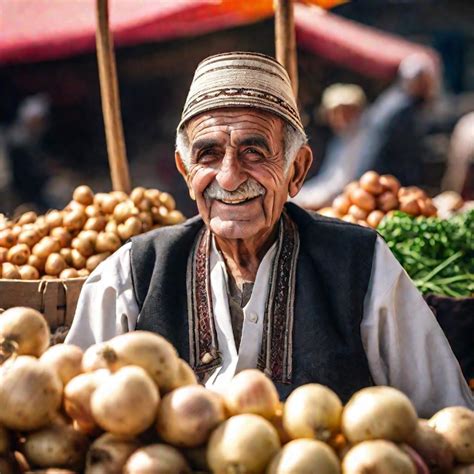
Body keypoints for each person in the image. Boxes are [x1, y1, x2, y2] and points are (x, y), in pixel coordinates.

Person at [66, 52, 473, 416]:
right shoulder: (131, 273)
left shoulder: (363, 264)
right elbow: (71, 410)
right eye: (208, 154)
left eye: (254, 152)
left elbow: (447, 418)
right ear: (185, 170)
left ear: (296, 170)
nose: (228, 177)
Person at [354, 53, 439, 186]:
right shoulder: (403, 109)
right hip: (383, 182)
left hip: (375, 178)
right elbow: (406, 158)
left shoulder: (394, 99)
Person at [293, 83, 367, 209]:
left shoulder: (363, 138)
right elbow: (328, 179)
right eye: (334, 113)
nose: (340, 118)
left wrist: (297, 199)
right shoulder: (340, 140)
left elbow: (339, 185)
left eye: (346, 111)